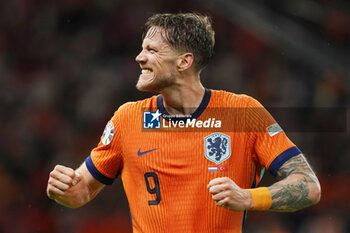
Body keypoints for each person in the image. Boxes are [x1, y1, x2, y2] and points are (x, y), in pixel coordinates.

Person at [47, 13, 321, 233]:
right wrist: (64, 189)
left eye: (151, 50)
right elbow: (81, 191)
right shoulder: (128, 118)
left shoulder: (242, 112)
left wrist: (250, 198)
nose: (139, 57)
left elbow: (308, 186)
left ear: (184, 61)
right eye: (142, 48)